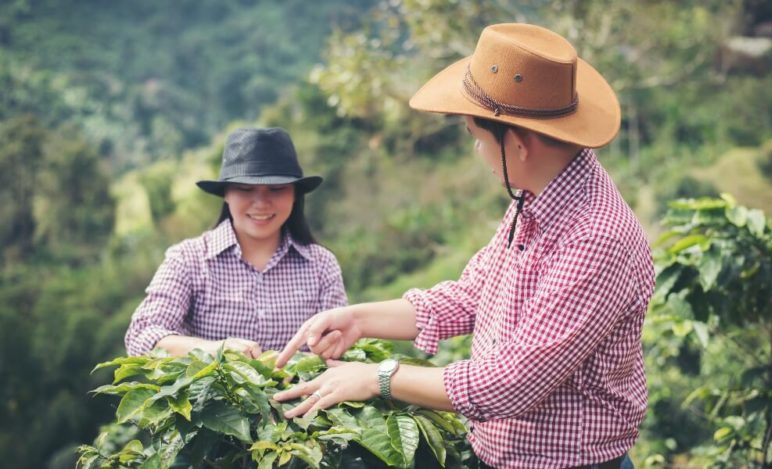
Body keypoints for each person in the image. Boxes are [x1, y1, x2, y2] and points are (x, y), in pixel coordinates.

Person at [273, 23, 654, 469]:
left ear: (518, 143)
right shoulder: (537, 197)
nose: (477, 151)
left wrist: (380, 377)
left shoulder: (595, 239)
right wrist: (358, 318)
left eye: (477, 136)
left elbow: (511, 383)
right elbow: (473, 294)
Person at [125, 127, 347, 358]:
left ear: (294, 195)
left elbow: (342, 341)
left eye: (277, 189)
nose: (261, 203)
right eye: (245, 189)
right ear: (226, 194)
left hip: (305, 394)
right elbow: (141, 336)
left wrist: (330, 346)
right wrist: (216, 349)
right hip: (211, 395)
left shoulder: (321, 264)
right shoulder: (189, 260)